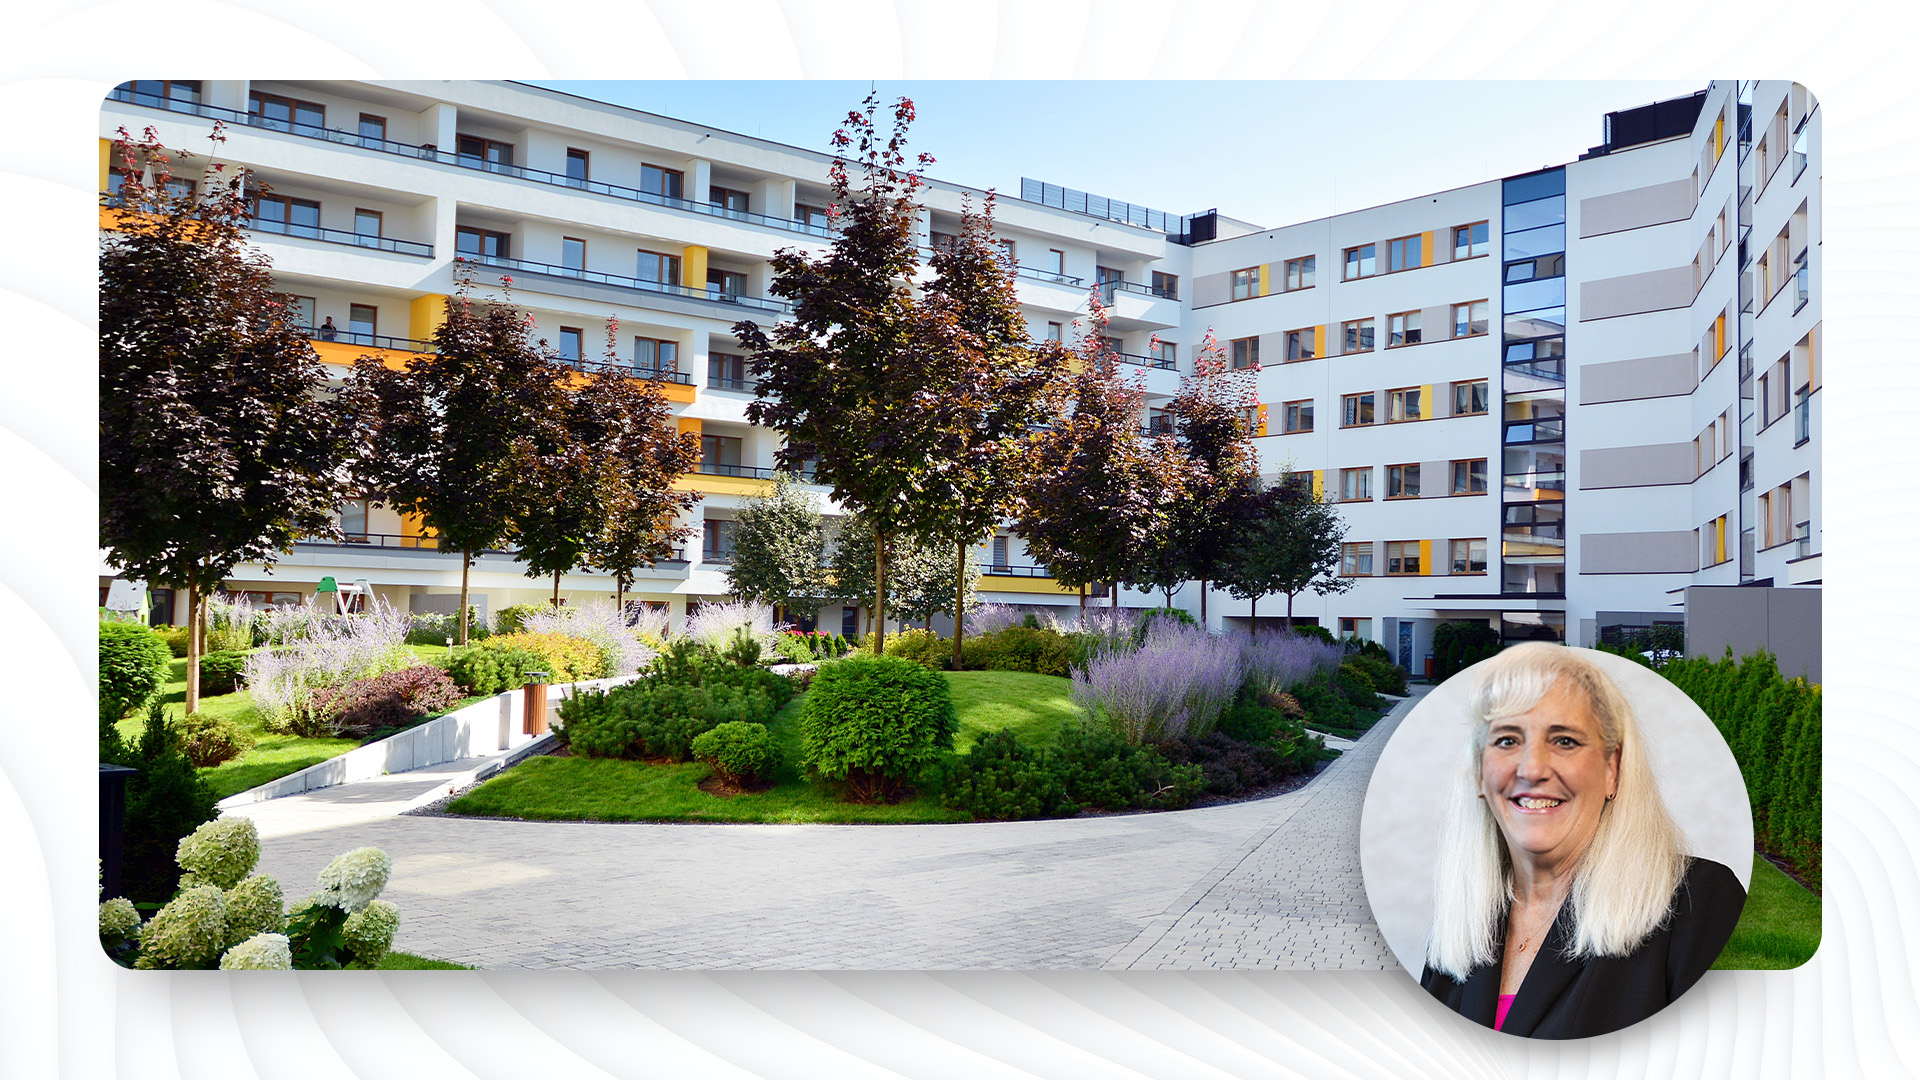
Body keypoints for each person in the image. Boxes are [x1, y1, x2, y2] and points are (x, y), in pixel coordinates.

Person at [1419, 643, 1745, 1038]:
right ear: (1480, 775)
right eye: (1507, 740)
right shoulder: (1463, 926)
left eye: (1565, 741)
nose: (1533, 769)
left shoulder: (1698, 903)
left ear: (1612, 770)